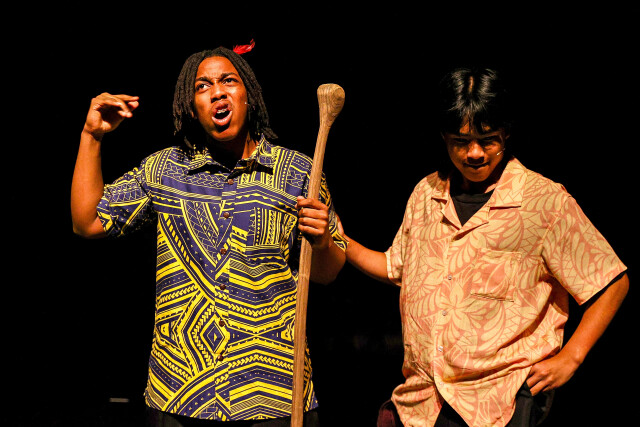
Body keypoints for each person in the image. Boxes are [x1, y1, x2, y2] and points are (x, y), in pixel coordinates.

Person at [71, 41, 346, 426]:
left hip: (275, 397)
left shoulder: (298, 172)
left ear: (249, 96)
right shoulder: (164, 169)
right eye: (202, 86)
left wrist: (321, 242)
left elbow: (328, 271)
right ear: (191, 107)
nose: (217, 92)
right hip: (179, 395)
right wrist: (92, 135)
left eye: (228, 81)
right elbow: (87, 222)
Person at [340, 67, 629, 427]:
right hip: (422, 404)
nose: (474, 153)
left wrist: (572, 356)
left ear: (506, 133)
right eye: (460, 142)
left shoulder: (543, 202)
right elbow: (395, 267)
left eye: (488, 140)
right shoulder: (426, 194)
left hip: (498, 402)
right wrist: (337, 237)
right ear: (444, 137)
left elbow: (610, 280)